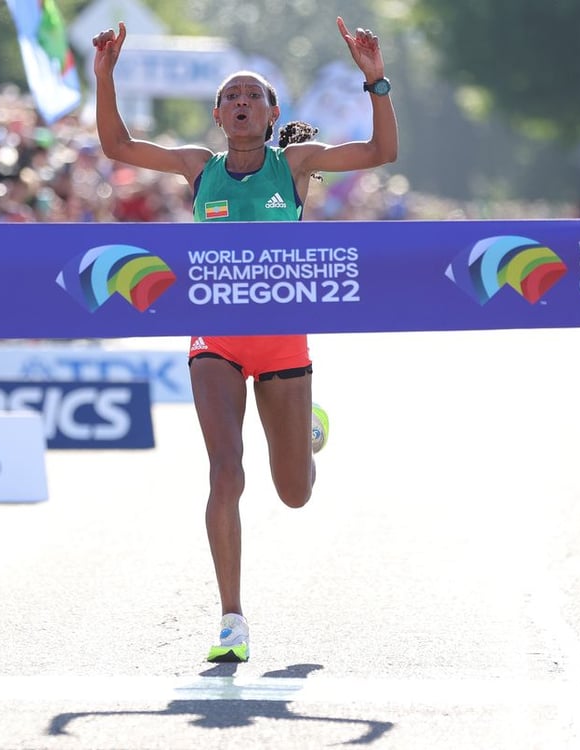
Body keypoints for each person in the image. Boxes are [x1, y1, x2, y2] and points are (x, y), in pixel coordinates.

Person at [92, 15, 398, 662]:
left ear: (271, 113)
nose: (240, 101)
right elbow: (117, 145)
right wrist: (104, 75)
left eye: (252, 95)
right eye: (230, 95)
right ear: (217, 114)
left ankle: (306, 430)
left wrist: (375, 80)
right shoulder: (197, 167)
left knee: (294, 493)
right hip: (217, 341)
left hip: (283, 343)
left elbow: (380, 154)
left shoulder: (296, 164)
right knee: (225, 471)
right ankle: (231, 618)